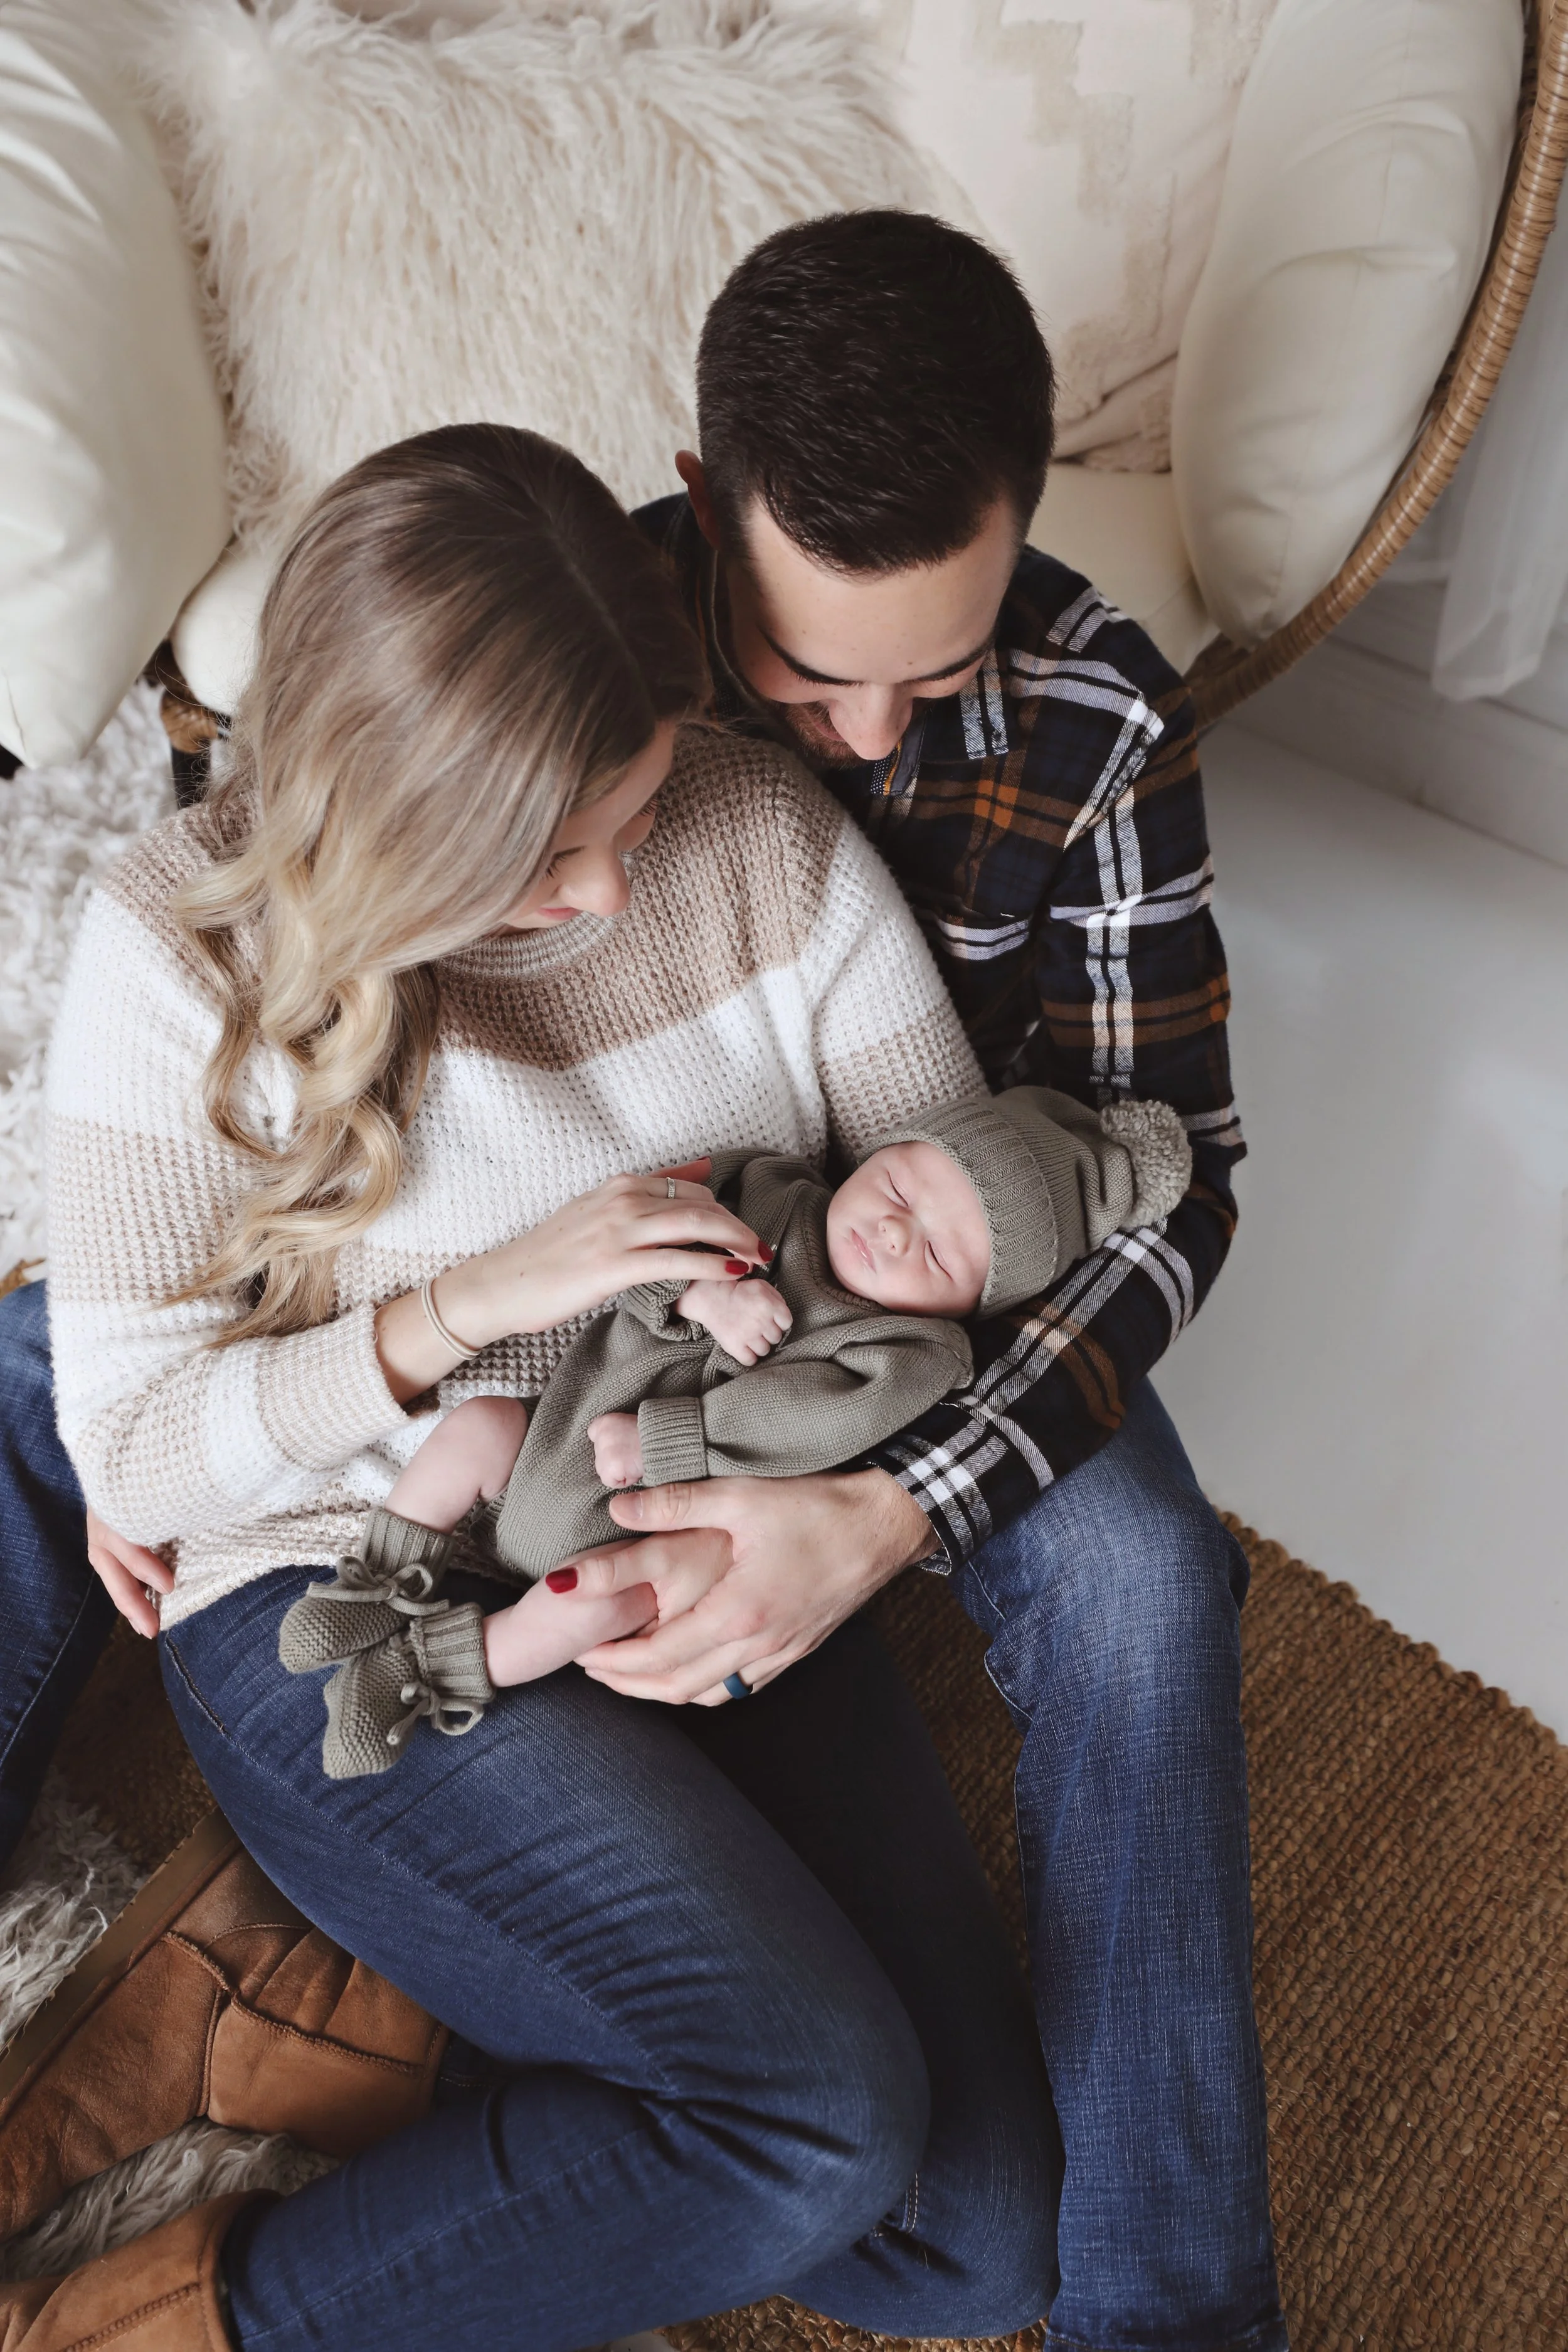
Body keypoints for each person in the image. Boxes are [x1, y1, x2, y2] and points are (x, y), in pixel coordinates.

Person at [0, 213, 1286, 2352]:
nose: (613, 887)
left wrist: (841, 1521)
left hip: (693, 1510)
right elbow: (141, 1420)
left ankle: (348, 1993)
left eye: (638, 806)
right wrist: (458, 1306)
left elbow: (953, 1208)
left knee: (972, 2248)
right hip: (358, 1589)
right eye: (545, 862)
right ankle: (163, 2322)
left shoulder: (756, 820)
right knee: (807, 2124)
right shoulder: (203, 927)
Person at [278, 1085, 1191, 1777]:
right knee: (476, 1426)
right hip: (550, 1439)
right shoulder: (771, 1186)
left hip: (645, 1522)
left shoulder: (914, 1351)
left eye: (942, 1252)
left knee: (589, 1608)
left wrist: (673, 1439)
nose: (896, 1231)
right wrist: (697, 1289)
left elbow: (807, 1423)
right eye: (902, 1185)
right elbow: (641, 1226)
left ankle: (422, 1672)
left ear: (973, 1301)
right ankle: (377, 1576)